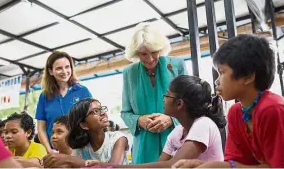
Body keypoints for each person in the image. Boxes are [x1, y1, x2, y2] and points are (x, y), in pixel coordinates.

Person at [172, 35, 284, 168]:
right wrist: (201, 164)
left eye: (222, 72)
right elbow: (237, 164)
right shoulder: (236, 112)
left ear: (248, 76)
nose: (217, 81)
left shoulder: (272, 109)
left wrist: (222, 167)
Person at [91, 75, 226, 168]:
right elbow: (159, 165)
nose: (163, 99)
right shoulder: (178, 132)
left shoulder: (203, 124)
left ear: (179, 104)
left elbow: (173, 165)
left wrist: (110, 166)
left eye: (167, 94)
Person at [121, 22, 187, 164]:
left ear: (161, 48)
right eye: (143, 54)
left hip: (176, 140)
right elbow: (125, 112)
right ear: (136, 53)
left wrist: (170, 120)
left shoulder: (177, 66)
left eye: (154, 52)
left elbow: (191, 104)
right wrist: (140, 120)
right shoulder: (129, 73)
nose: (150, 59)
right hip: (144, 145)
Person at [42, 98, 129, 168]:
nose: (103, 113)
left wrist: (68, 159)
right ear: (84, 125)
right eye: (95, 111)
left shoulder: (118, 138)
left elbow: (115, 166)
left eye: (101, 109)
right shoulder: (81, 148)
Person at [36, 51, 92, 154]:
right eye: (59, 68)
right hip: (56, 151)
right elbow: (41, 128)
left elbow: (91, 121)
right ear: (51, 71)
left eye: (67, 67)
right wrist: (49, 150)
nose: (64, 71)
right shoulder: (44, 96)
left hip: (81, 150)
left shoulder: (83, 91)